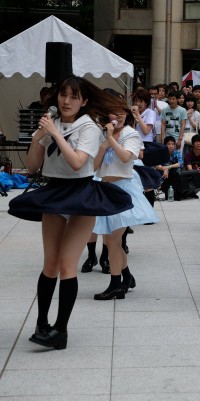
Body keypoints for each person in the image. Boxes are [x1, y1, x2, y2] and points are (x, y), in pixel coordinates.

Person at [8, 76, 134, 349]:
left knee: (67, 264)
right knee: (49, 263)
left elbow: (78, 163)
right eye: (63, 95)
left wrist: (53, 133)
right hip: (54, 193)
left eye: (74, 97)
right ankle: (42, 324)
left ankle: (60, 330)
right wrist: (39, 137)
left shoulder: (87, 126)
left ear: (84, 101)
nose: (66, 101)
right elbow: (32, 167)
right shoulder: (51, 121)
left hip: (81, 196)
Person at [92, 103, 159, 301]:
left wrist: (110, 139)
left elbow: (124, 158)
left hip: (123, 190)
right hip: (105, 189)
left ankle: (115, 285)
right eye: (115, 112)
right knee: (111, 240)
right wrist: (104, 143)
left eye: (123, 112)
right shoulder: (101, 134)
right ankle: (127, 277)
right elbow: (94, 166)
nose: (119, 116)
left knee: (113, 241)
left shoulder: (131, 134)